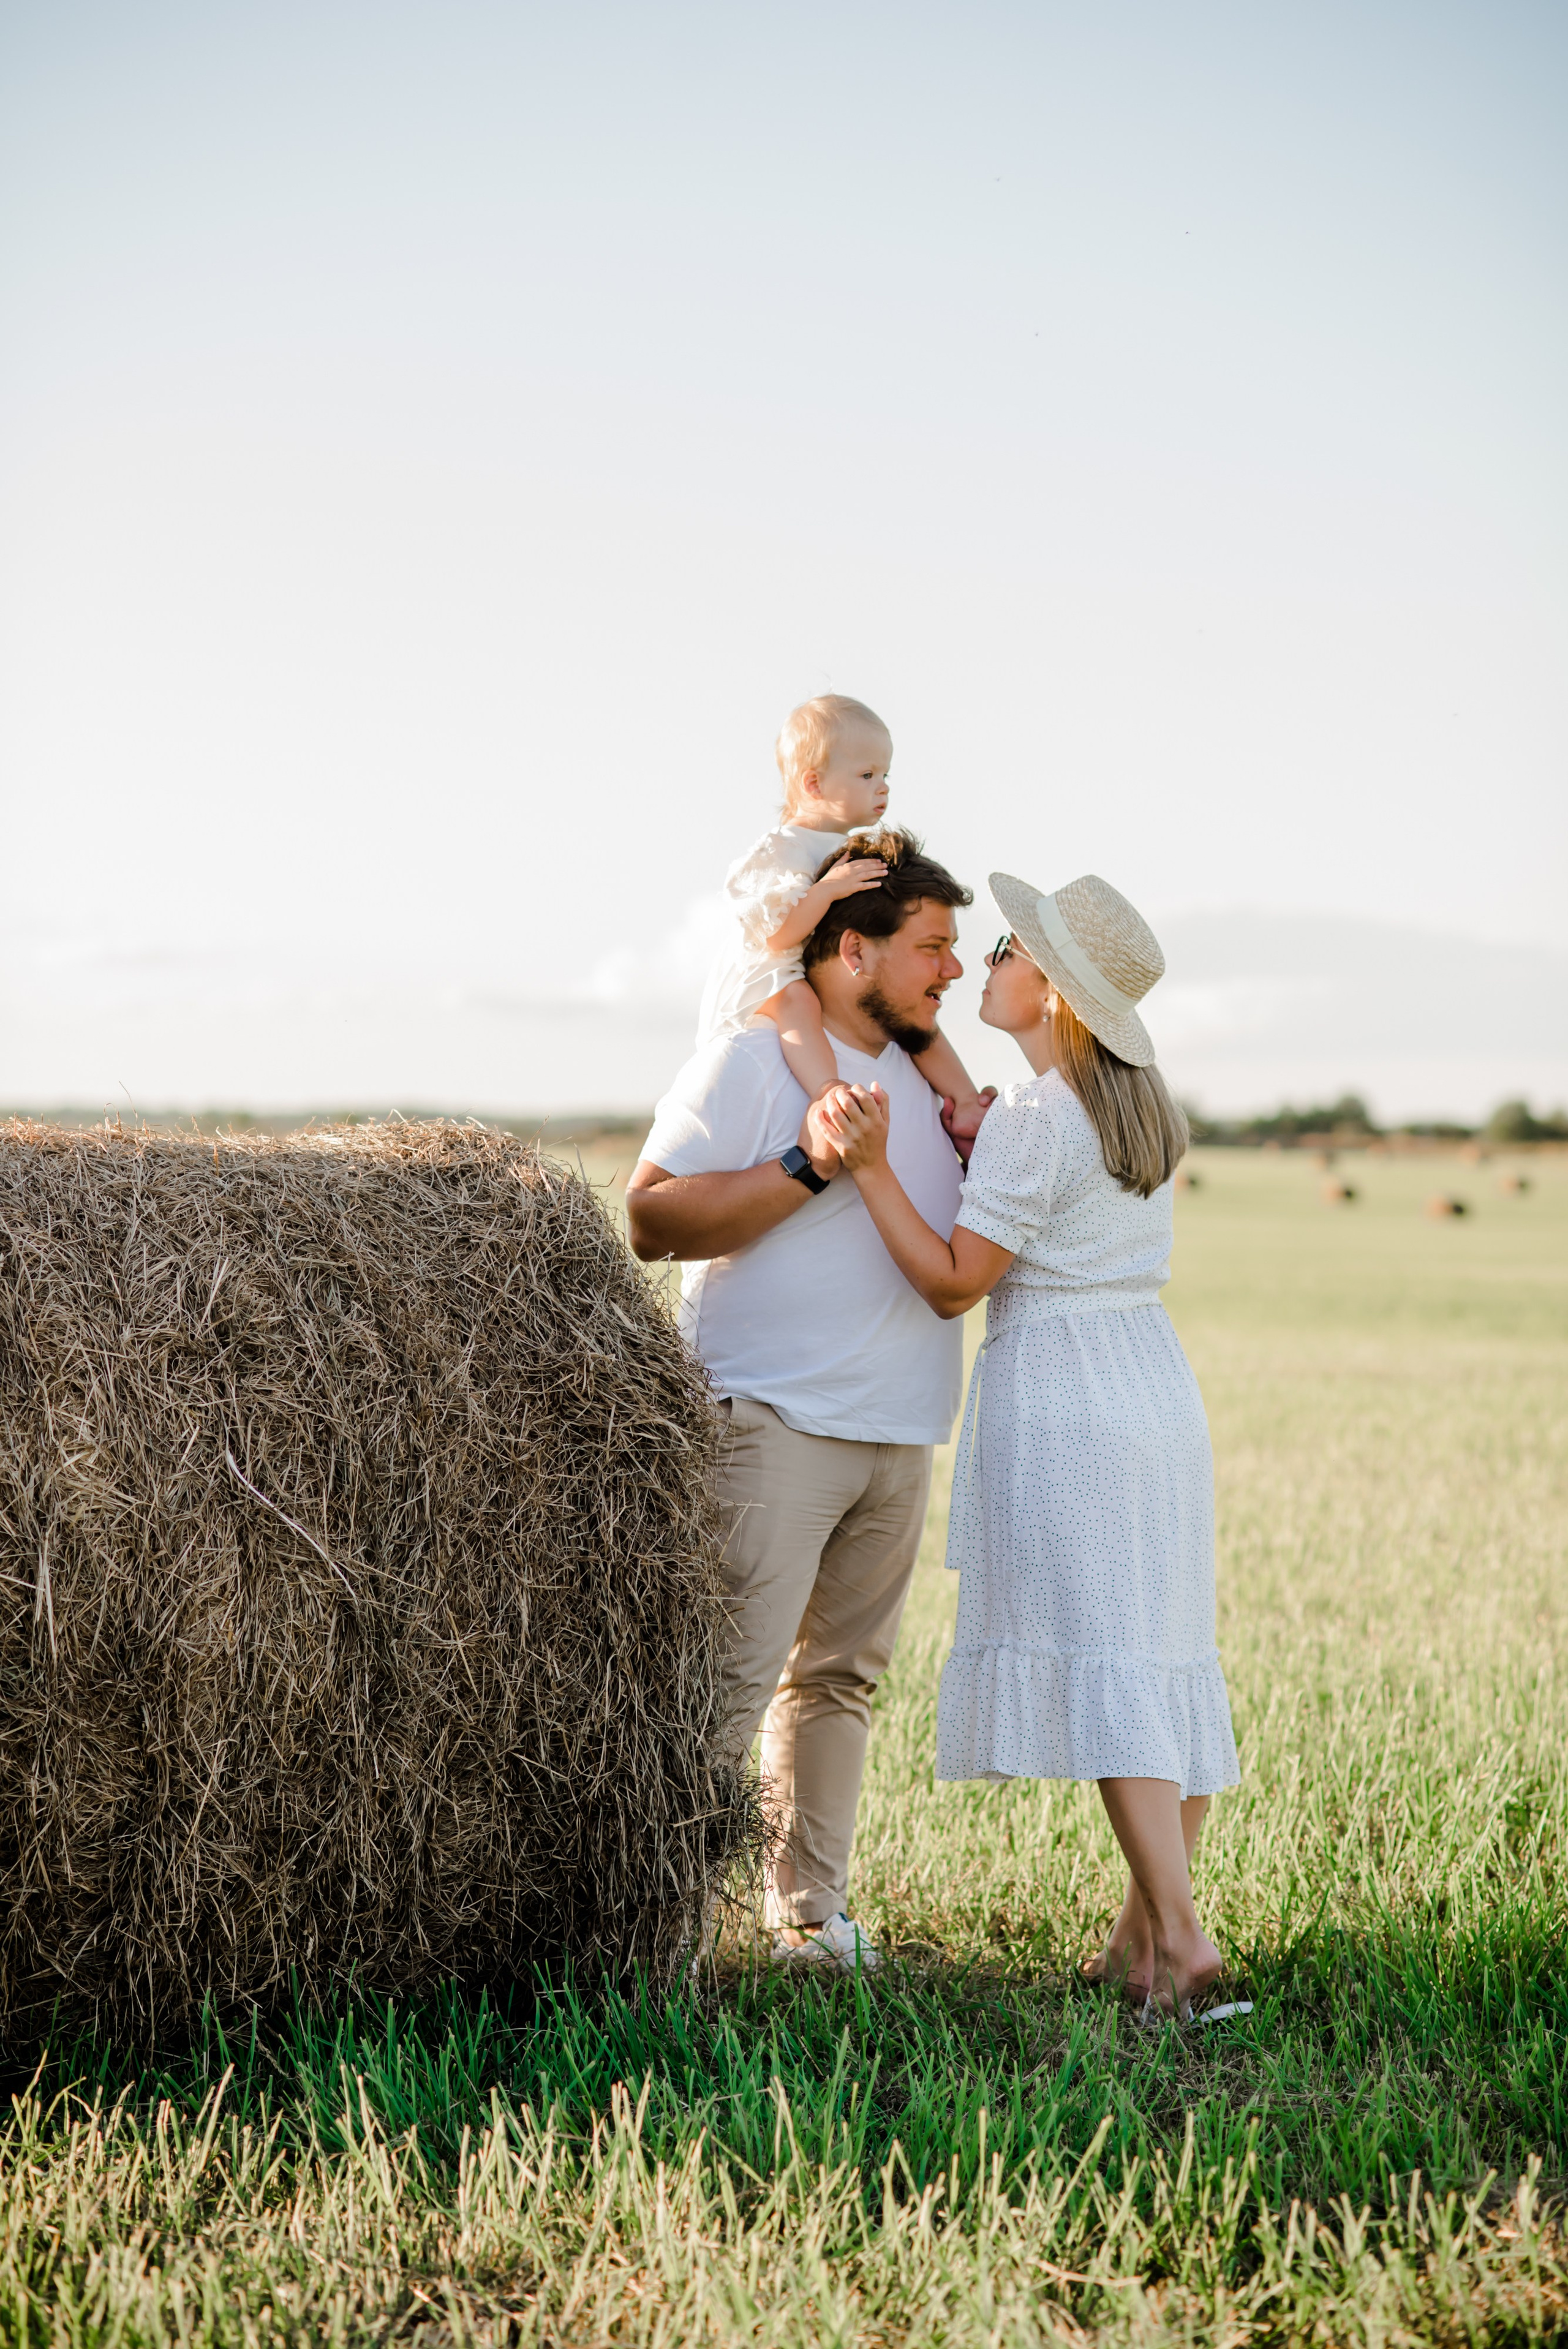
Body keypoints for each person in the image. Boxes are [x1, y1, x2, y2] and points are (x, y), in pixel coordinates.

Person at [820, 870, 1240, 2020]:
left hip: (1066, 1397)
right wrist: (980, 1138)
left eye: (1007, 947)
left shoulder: (1036, 1118)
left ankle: (1186, 1944)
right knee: (1159, 1663)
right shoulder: (1130, 1108)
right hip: (1154, 1390)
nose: (986, 962)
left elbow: (956, 1283)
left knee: (1112, 1672)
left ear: (1052, 990)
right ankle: (1135, 1952)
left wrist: (869, 1169)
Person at [627, 831, 974, 1971]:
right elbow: (650, 1217)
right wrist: (807, 1166)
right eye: (932, 947)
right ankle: (655, 1932)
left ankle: (812, 1921)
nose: (951, 971)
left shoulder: (935, 1083)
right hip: (770, 1423)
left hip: (901, 1429)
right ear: (852, 951)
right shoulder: (752, 1059)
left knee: (838, 1685)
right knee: (725, 1688)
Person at [697, 695, 990, 1146]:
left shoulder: (847, 849)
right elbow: (776, 938)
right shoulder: (784, 850)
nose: (883, 787)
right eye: (867, 775)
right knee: (799, 1001)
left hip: (829, 973)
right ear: (814, 784)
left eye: (886, 775)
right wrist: (826, 890)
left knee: (907, 1006)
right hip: (778, 974)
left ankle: (966, 1100)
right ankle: (827, 1089)